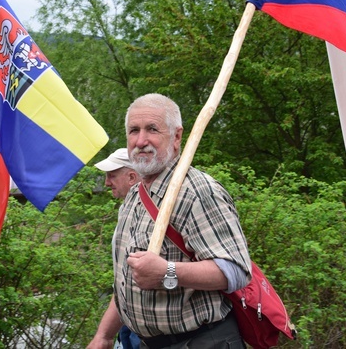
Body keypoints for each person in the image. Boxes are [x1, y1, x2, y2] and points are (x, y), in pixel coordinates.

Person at [88, 93, 252, 349]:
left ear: (176, 137)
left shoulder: (198, 191)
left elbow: (236, 271)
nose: (140, 141)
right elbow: (126, 281)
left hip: (202, 342)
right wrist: (104, 336)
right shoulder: (133, 197)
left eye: (152, 129)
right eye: (134, 131)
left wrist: (168, 272)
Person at [94, 147, 142, 349]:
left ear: (132, 177)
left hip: (143, 329)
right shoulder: (126, 209)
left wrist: (104, 336)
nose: (106, 182)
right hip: (128, 322)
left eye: (112, 175)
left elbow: (131, 280)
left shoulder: (145, 214)